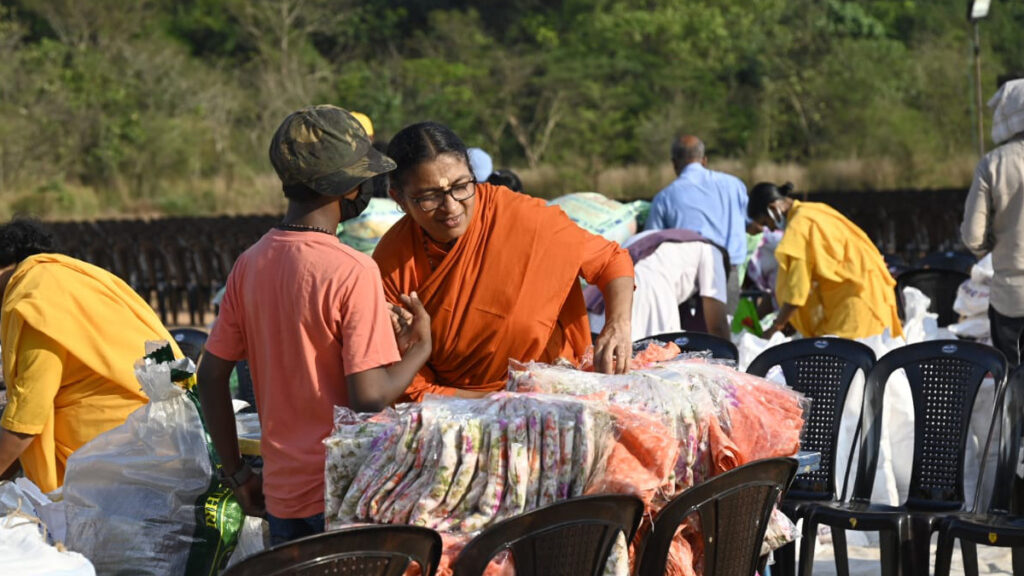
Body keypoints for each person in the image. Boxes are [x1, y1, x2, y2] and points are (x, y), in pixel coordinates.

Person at [197, 105, 433, 545]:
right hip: (344, 493)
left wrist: (237, 472)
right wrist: (420, 348)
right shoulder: (353, 269)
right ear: (347, 187)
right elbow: (369, 396)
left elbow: (211, 375)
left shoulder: (249, 263)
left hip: (282, 495)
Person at [373, 121, 635, 402]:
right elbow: (409, 382)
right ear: (398, 198)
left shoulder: (519, 216)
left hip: (558, 396)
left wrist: (618, 323)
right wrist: (500, 403)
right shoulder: (392, 263)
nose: (451, 207)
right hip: (460, 410)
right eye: (429, 197)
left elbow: (611, 261)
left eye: (461, 187)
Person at [0, 219, 183, 493]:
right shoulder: (82, 275)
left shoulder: (33, 296)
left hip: (119, 459)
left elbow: (26, 418)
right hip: (169, 435)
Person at [748, 182, 903, 340]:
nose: (772, 229)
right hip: (870, 292)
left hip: (855, 303)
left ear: (773, 208)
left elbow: (796, 291)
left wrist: (775, 328)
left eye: (767, 223)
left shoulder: (799, 225)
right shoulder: (815, 210)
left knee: (849, 359)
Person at [646, 134, 749, 311]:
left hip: (688, 277)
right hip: (728, 273)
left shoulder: (664, 198)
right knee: (727, 331)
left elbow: (650, 241)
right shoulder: (735, 185)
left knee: (690, 336)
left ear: (674, 163)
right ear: (704, 160)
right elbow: (750, 222)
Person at [961, 79, 1024, 366]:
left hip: (1011, 297)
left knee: (1014, 382)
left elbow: (972, 236)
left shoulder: (993, 163)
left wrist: (991, 246)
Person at [586, 229, 730, 341]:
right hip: (650, 290)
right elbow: (717, 323)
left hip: (613, 285)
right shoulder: (713, 253)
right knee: (654, 366)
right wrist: (731, 364)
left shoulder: (665, 237)